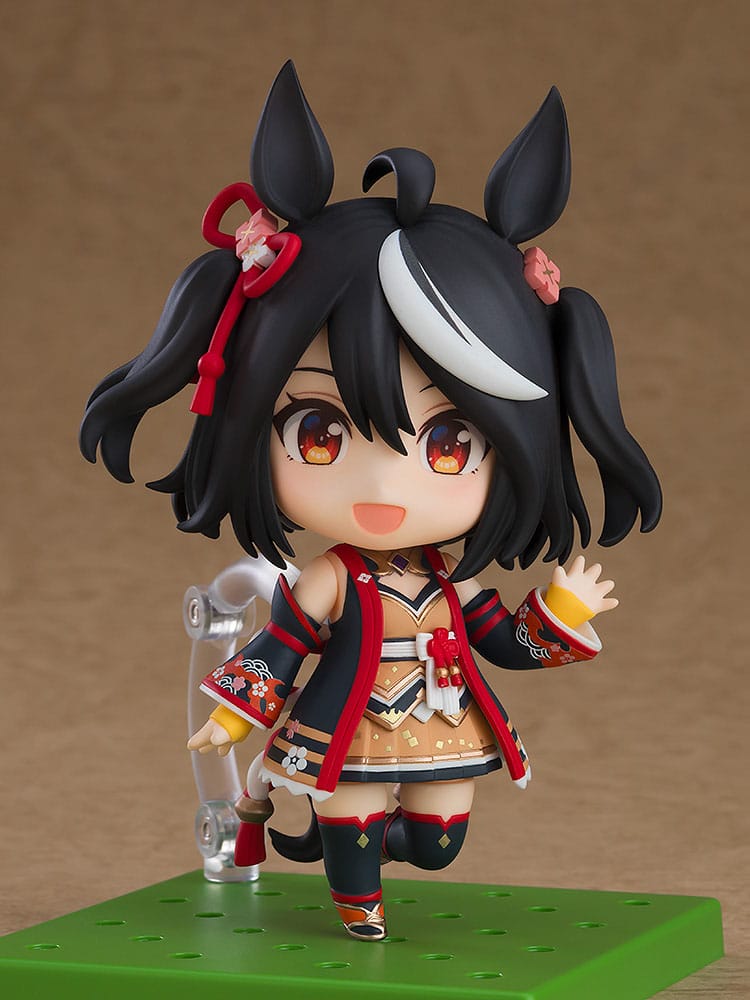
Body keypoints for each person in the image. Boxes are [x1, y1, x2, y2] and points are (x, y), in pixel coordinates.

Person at [80, 61, 661, 941]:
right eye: (319, 433)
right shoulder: (333, 578)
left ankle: (349, 845)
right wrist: (233, 713)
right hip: (340, 735)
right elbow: (281, 646)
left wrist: (561, 614)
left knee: (440, 844)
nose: (387, 486)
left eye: (450, 445)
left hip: (441, 725)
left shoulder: (451, 583)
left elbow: (504, 644)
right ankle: (357, 897)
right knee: (353, 828)